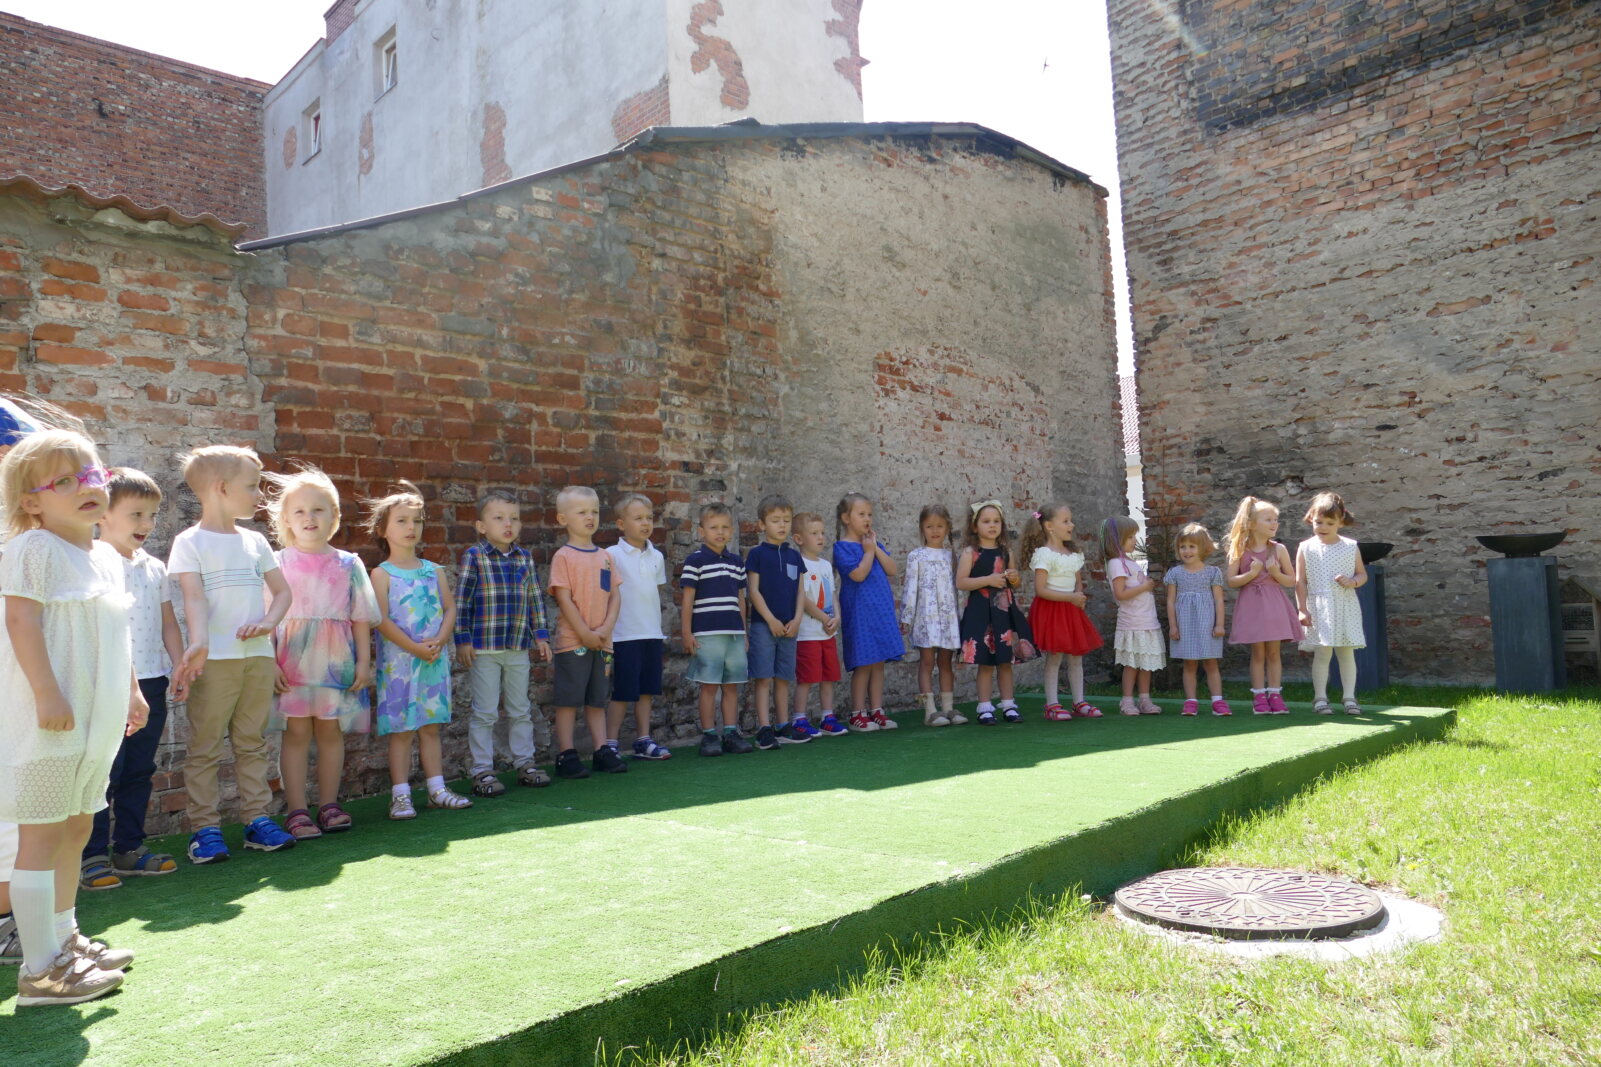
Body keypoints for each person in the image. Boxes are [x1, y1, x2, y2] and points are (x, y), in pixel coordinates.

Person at [0, 429, 145, 1005]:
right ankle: (40, 971)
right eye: (64, 481)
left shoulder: (106, 554)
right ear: (31, 501)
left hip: (94, 720)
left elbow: (116, 629)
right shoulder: (32, 548)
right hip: (50, 720)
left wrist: (132, 691)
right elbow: (21, 622)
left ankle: (64, 939)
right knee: (40, 835)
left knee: (77, 827)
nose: (85, 487)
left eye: (91, 475)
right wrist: (47, 693)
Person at [168, 445, 296, 862]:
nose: (260, 495)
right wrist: (199, 644)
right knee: (205, 746)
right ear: (222, 488)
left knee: (252, 742)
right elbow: (193, 599)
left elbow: (282, 593)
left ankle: (257, 820)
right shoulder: (189, 542)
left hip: (257, 659)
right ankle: (204, 829)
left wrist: (268, 624)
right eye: (252, 486)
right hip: (214, 662)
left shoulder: (256, 541)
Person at [79, 469, 187, 891]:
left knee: (139, 769)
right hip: (106, 686)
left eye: (153, 515)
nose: (147, 523)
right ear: (102, 515)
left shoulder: (154, 567)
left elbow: (168, 622)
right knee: (103, 773)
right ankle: (91, 857)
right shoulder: (89, 561)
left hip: (152, 682)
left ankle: (129, 848)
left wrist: (179, 664)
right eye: (136, 514)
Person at [267, 467, 380, 839]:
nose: (309, 517)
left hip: (336, 662)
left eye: (318, 509)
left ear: (334, 515)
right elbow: (266, 617)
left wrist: (363, 662)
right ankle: (297, 811)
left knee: (331, 730)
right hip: (291, 662)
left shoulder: (348, 563)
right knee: (296, 732)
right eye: (299, 511)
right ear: (286, 518)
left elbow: (360, 616)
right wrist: (269, 662)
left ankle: (330, 805)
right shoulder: (277, 563)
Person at [369, 481, 471, 818]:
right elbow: (380, 619)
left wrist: (440, 639)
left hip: (432, 661)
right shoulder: (381, 574)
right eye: (401, 521)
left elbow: (450, 608)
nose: (411, 527)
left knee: (430, 727)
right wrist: (413, 647)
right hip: (399, 665)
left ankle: (437, 790)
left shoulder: (433, 571)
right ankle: (400, 796)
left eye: (417, 521)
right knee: (401, 730)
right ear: (383, 529)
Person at [454, 489, 552, 796]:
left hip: (517, 646)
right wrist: (462, 639)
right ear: (482, 526)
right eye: (499, 518)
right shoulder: (475, 556)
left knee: (520, 708)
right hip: (484, 647)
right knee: (485, 711)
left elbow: (535, 598)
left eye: (514, 518)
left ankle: (525, 763)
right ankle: (482, 770)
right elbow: (462, 601)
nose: (508, 524)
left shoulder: (525, 558)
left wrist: (541, 634)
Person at [548, 486, 624, 778]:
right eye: (581, 512)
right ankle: (566, 754)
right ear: (562, 519)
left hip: (603, 642)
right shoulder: (563, 556)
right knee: (568, 699)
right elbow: (563, 599)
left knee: (597, 698)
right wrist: (584, 633)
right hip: (573, 642)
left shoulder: (605, 556)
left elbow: (615, 596)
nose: (590, 517)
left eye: (594, 511)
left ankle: (602, 750)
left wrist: (605, 629)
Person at [1019, 502, 1104, 721]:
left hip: (1071, 610)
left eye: (1070, 520)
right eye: (1066, 521)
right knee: (1055, 657)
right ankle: (1052, 704)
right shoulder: (1044, 554)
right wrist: (1071, 598)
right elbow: (1041, 589)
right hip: (1053, 610)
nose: (1071, 525)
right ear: (1049, 526)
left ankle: (1079, 701)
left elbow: (1078, 582)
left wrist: (1079, 595)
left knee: (1076, 657)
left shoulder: (1073, 553)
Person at [681, 502, 752, 756]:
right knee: (709, 686)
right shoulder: (695, 561)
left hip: (734, 634)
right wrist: (687, 632)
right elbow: (688, 599)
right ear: (701, 532)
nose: (720, 532)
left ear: (731, 530)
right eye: (713, 527)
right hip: (707, 634)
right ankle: (709, 735)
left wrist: (743, 633)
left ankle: (731, 733)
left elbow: (741, 599)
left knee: (731, 685)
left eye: (725, 527)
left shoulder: (736, 562)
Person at [606, 493, 672, 760]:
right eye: (638, 518)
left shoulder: (656, 556)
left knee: (647, 691)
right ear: (621, 524)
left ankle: (643, 741)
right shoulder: (611, 555)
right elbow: (605, 593)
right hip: (624, 636)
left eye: (649, 518)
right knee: (623, 692)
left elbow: (656, 591)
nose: (645, 523)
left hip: (651, 634)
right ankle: (610, 743)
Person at [956, 499, 1035, 724]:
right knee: (985, 662)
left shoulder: (1006, 551)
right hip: (980, 613)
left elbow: (1014, 582)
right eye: (986, 521)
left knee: (1005, 661)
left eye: (996, 521)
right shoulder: (970, 552)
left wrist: (1014, 578)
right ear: (974, 526)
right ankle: (984, 708)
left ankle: (1008, 705)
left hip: (1003, 613)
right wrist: (988, 580)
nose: (992, 525)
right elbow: (961, 582)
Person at [832, 493, 905, 731]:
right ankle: (857, 713)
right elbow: (858, 575)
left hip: (880, 609)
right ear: (846, 518)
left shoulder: (872, 544)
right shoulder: (842, 548)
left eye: (870, 515)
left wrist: (874, 548)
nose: (867, 519)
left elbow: (892, 569)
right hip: (859, 612)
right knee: (863, 662)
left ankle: (877, 710)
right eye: (861, 514)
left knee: (878, 662)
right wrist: (869, 552)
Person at [1225, 496, 1304, 714]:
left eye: (1275, 519)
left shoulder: (1278, 549)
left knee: (1274, 653)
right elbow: (1231, 581)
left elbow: (1291, 580)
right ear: (1251, 524)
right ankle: (1259, 696)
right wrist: (1251, 573)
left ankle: (1275, 695)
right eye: (1268, 519)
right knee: (1258, 653)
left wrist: (1276, 572)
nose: (1274, 523)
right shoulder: (1239, 549)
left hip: (1274, 606)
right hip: (1252, 606)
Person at [1296, 492, 1368, 715]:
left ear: (1340, 521)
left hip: (1345, 605)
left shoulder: (1350, 546)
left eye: (1330, 522)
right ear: (1311, 519)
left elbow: (1362, 574)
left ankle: (1349, 698)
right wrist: (1302, 609)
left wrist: (1352, 582)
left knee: (1346, 652)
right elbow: (1300, 581)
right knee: (1323, 653)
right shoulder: (1306, 547)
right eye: (1319, 522)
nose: (1323, 527)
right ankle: (1320, 698)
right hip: (1320, 608)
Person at [745, 494, 804, 749]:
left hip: (790, 627)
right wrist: (770, 620)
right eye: (775, 520)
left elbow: (801, 592)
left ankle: (783, 725)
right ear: (762, 524)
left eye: (786, 520)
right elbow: (753, 591)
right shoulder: (757, 554)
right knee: (763, 677)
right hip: (763, 626)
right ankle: (764, 728)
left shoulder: (795, 557)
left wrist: (797, 619)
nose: (782, 525)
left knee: (783, 677)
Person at [900, 504, 964, 727]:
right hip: (925, 618)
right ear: (922, 528)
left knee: (946, 662)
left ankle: (948, 708)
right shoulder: (916, 556)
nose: (935, 531)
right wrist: (906, 617)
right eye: (929, 526)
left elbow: (958, 590)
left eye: (939, 526)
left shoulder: (952, 556)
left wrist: (960, 618)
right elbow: (910, 588)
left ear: (947, 527)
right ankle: (929, 712)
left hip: (948, 619)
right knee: (927, 662)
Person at [1164, 523, 1230, 716]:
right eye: (1183, 547)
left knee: (1211, 663)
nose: (1187, 551)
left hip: (1207, 625)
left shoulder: (1212, 573)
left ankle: (1217, 701)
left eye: (1192, 546)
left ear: (1203, 548)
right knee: (1189, 664)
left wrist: (1219, 624)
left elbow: (1218, 600)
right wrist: (1173, 626)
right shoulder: (1175, 573)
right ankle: (1191, 701)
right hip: (1185, 626)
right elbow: (1170, 601)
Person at [1102, 516, 1165, 716]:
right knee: (1131, 664)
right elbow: (1120, 593)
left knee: (1146, 663)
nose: (1134, 541)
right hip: (1132, 622)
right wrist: (1144, 587)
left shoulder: (1130, 563)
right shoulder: (1116, 563)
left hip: (1147, 621)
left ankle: (1145, 700)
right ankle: (1127, 701)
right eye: (1130, 537)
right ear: (1116, 539)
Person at [790, 512, 846, 738]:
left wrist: (836, 617)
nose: (821, 537)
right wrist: (824, 618)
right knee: (807, 678)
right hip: (808, 633)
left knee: (828, 676)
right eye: (814, 533)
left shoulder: (825, 565)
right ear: (798, 539)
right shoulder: (798, 563)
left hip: (828, 633)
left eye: (822, 532)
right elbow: (802, 598)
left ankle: (827, 717)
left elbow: (833, 594)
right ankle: (799, 718)